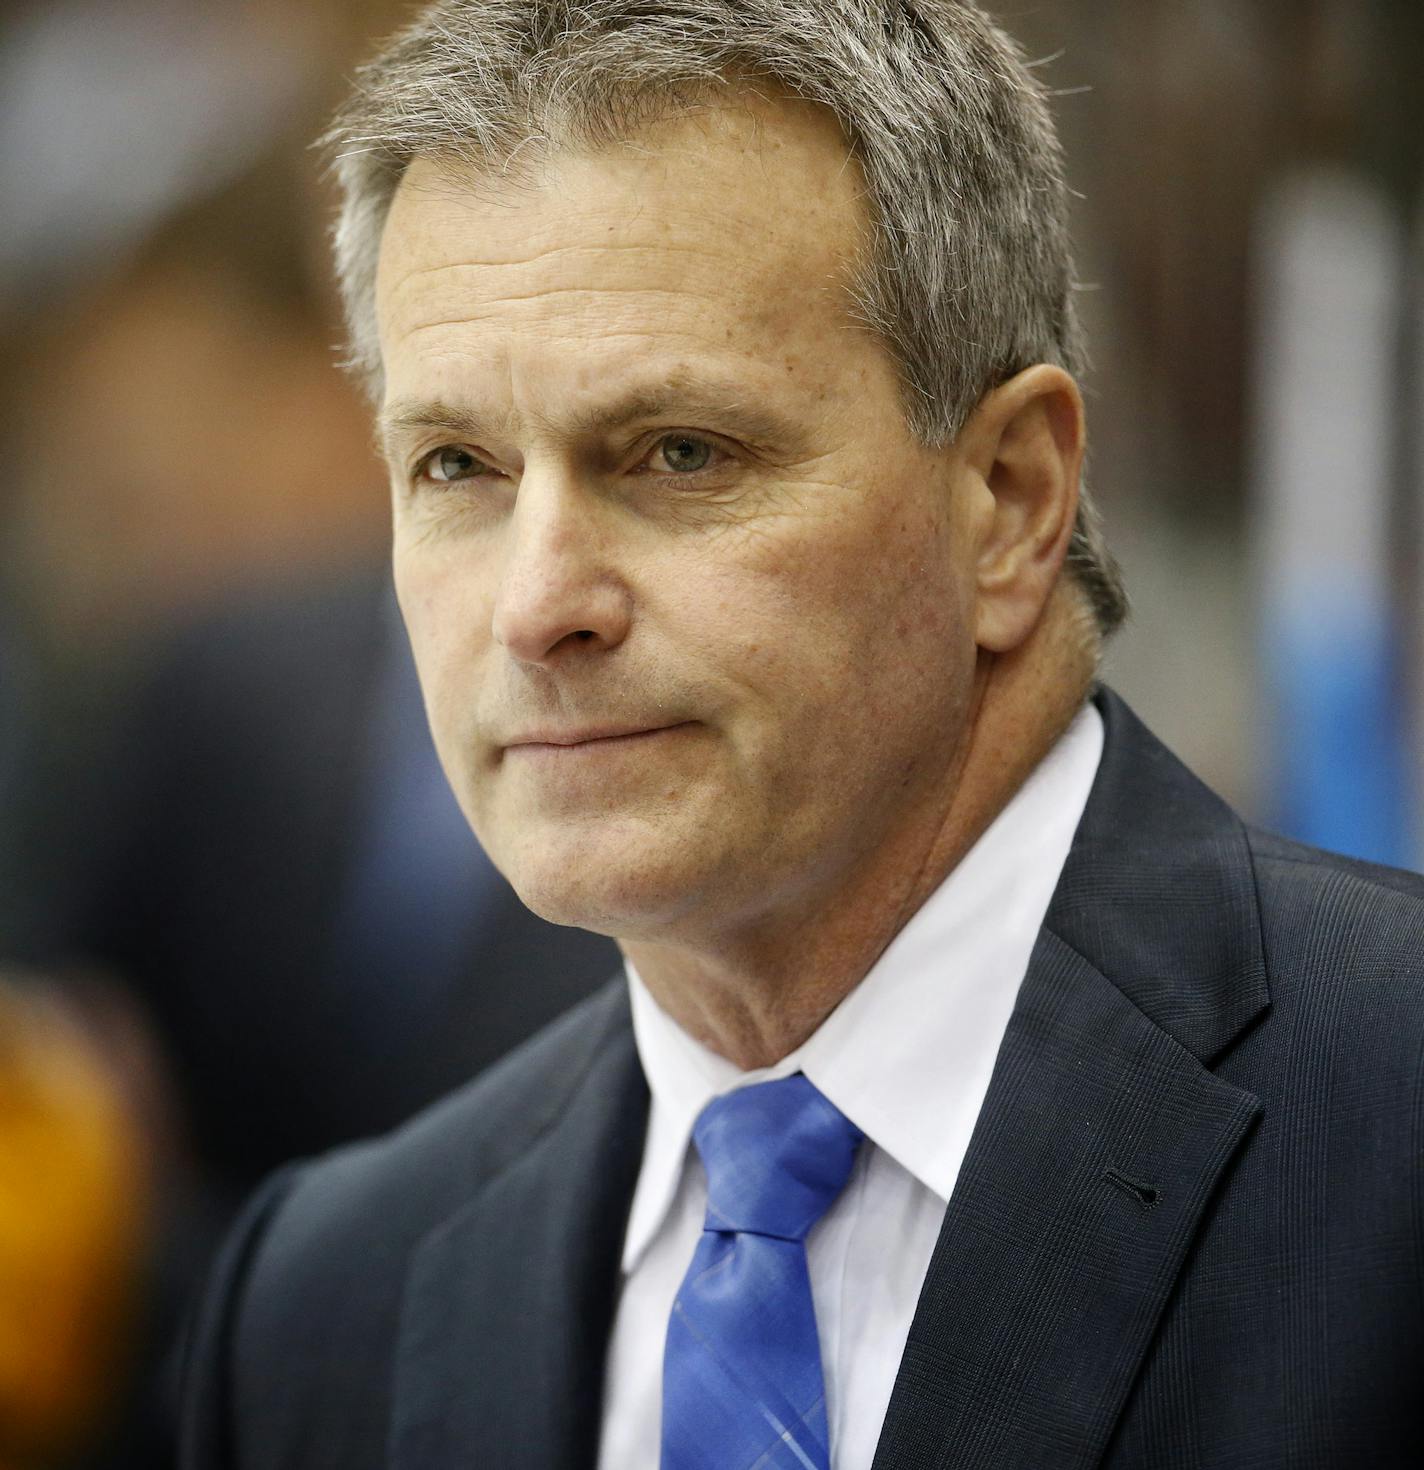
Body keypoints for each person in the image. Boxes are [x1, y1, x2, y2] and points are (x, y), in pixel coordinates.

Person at [178, 2, 1424, 1466]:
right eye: (458, 465)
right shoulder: (324, 1305)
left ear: (1012, 499)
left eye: (681, 453)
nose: (536, 605)